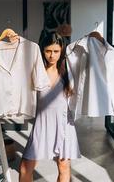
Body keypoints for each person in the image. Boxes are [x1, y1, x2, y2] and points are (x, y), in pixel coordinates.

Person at [19, 32, 81, 182]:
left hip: (64, 124)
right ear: (42, 51)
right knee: (25, 167)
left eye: (56, 51)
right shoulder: (36, 71)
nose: (52, 56)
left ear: (61, 51)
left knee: (64, 166)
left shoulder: (68, 72)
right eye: (48, 51)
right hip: (42, 124)